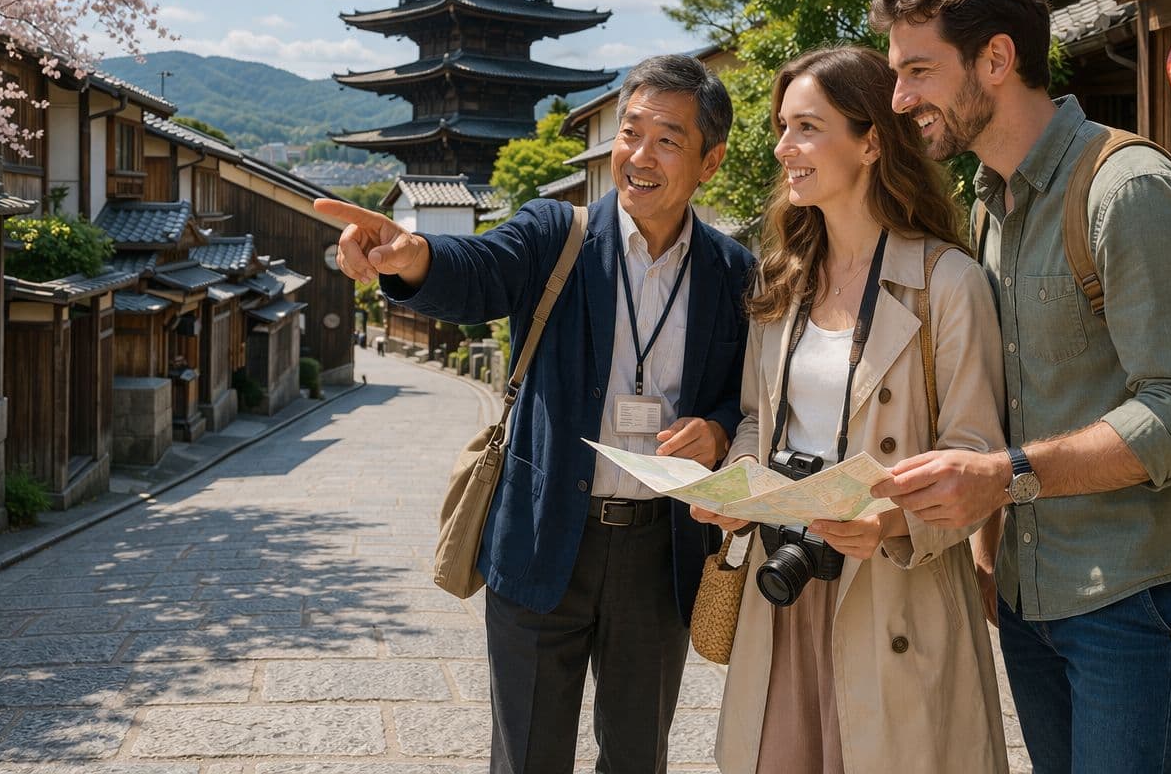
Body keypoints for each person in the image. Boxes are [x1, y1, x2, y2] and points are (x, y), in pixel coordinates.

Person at [314, 54, 753, 774]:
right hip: (545, 536)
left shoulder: (732, 273)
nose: (638, 156)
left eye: (667, 140)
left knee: (638, 758)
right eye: (630, 131)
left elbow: (749, 392)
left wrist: (720, 428)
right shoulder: (559, 234)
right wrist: (413, 256)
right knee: (527, 759)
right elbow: (480, 270)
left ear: (710, 162)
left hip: (658, 554)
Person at [871, 0, 1171, 774]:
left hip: (1140, 596)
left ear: (995, 60)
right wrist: (990, 543)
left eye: (918, 71)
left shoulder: (1128, 189)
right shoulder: (990, 200)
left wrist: (1003, 477)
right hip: (1032, 593)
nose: (900, 100)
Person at [691, 45, 1008, 774]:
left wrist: (892, 520)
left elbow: (977, 449)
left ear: (870, 141)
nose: (782, 148)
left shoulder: (947, 283)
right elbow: (756, 421)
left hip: (892, 586)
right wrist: (733, 488)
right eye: (781, 127)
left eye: (806, 127)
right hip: (785, 582)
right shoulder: (781, 282)